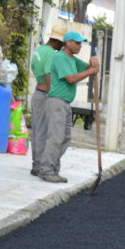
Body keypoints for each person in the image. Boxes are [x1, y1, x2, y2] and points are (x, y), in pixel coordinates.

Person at [38, 31, 98, 183]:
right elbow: (71, 79)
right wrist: (91, 70)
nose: (80, 46)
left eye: (81, 43)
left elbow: (87, 68)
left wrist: (93, 63)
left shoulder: (72, 59)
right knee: (55, 137)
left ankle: (52, 168)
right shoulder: (60, 57)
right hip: (56, 101)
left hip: (65, 102)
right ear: (68, 43)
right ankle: (46, 170)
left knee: (65, 138)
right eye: (77, 43)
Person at [28, 30, 64, 171]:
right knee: (47, 132)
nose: (62, 46)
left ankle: (36, 165)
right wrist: (55, 94)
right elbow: (49, 76)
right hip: (45, 95)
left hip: (37, 93)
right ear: (57, 41)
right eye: (62, 43)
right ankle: (43, 166)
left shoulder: (39, 50)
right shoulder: (51, 54)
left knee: (37, 131)